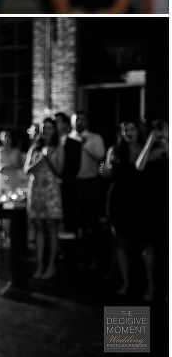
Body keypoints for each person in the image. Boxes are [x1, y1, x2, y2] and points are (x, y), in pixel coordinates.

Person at [103, 118, 145, 296]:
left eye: (132, 129)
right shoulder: (115, 150)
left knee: (137, 242)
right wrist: (105, 171)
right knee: (119, 240)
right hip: (117, 198)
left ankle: (141, 280)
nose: (128, 133)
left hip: (138, 199)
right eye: (125, 130)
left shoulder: (144, 149)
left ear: (138, 131)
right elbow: (109, 174)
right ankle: (126, 281)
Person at [24, 118, 63, 280]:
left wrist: (48, 158)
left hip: (51, 189)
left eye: (49, 128)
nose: (46, 131)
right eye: (44, 128)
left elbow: (60, 171)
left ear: (54, 130)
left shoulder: (59, 147)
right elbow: (26, 169)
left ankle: (51, 265)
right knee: (38, 226)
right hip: (36, 189)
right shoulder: (34, 148)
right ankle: (40, 265)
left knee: (51, 226)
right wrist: (40, 159)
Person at [135, 119, 168, 302]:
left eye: (162, 128)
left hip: (166, 201)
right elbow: (139, 166)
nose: (159, 132)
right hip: (149, 201)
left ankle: (168, 289)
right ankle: (150, 286)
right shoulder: (147, 149)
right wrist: (150, 141)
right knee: (149, 246)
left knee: (167, 247)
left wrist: (167, 141)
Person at [70, 109, 106, 269]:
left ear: (87, 121)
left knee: (91, 221)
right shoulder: (67, 138)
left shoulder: (95, 138)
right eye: (76, 119)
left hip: (90, 183)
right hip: (73, 184)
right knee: (75, 221)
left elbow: (100, 155)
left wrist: (84, 144)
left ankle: (95, 257)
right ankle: (76, 257)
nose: (79, 122)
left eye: (82, 119)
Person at [53, 112, 81, 236]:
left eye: (57, 121)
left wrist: (62, 179)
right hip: (50, 187)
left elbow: (75, 167)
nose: (54, 124)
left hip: (68, 186)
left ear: (65, 124)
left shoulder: (74, 144)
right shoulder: (49, 144)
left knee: (69, 218)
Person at [0, 130, 24, 201]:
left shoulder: (16, 151)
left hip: (12, 177)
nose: (6, 138)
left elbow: (21, 165)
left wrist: (12, 167)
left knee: (13, 198)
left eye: (8, 136)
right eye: (4, 136)